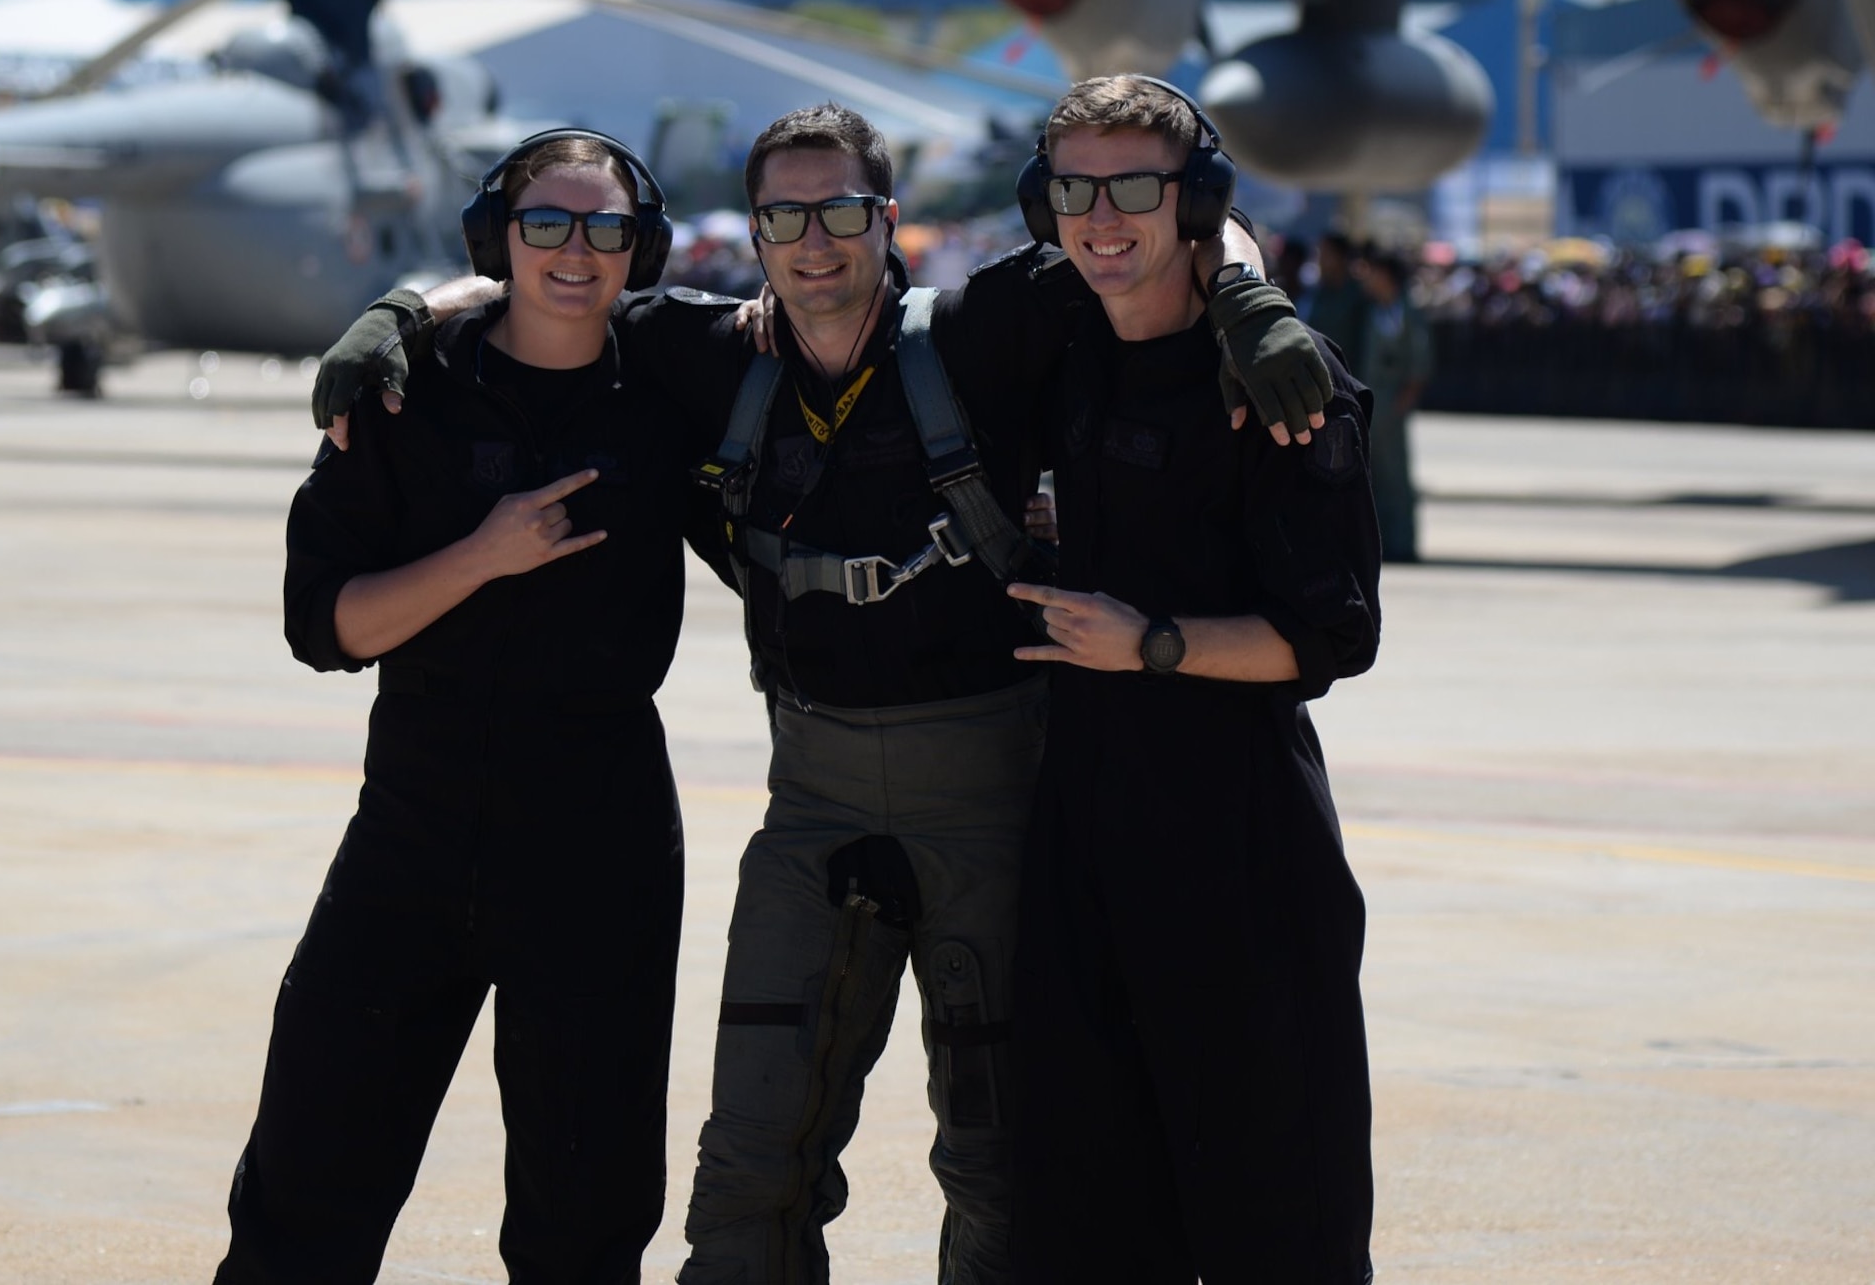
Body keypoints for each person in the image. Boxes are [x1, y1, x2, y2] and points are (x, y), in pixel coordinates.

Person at [306, 100, 1334, 1285]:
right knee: (751, 1161)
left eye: (841, 210)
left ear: (886, 220)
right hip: (811, 800)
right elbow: (539, 281)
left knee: (1002, 1160)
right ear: (749, 233)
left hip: (992, 803)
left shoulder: (980, 330)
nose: (813, 240)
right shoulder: (705, 354)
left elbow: (1166, 230)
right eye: (783, 215)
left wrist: (1251, 301)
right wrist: (395, 310)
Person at [214, 131, 707, 1284]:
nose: (574, 251)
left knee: (585, 1207)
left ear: (642, 248)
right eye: (546, 223)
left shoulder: (675, 383)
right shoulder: (404, 394)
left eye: (604, 228)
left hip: (601, 835)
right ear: (499, 238)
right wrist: (481, 556)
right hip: (415, 824)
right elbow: (324, 626)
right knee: (306, 1176)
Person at [1000, 75, 1383, 1284]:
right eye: (1075, 187)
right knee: (1085, 1230)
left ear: (1194, 202)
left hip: (1239, 856)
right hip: (1080, 853)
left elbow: (1333, 636)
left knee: (1281, 1232)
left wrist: (1151, 641)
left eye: (1132, 187)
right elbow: (833, 290)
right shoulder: (1048, 340)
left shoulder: (1274, 376)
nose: (1101, 215)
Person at [1359, 250, 1432, 562]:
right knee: (1371, 475)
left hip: (1392, 403)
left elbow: (1420, 362)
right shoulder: (1372, 311)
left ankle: (1403, 542)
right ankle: (1379, 543)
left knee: (1396, 476)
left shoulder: (1407, 313)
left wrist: (1404, 402)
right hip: (1371, 399)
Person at [1303, 229, 1370, 366]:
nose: (1321, 261)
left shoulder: (1358, 296)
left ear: (1341, 258)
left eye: (1327, 255)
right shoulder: (1317, 293)